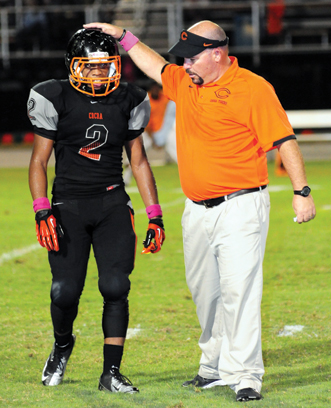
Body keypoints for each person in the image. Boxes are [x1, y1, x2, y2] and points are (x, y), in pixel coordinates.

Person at [83, 20, 316, 402]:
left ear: (217, 53)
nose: (184, 65)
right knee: (205, 293)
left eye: (191, 58)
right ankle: (213, 367)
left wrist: (301, 191)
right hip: (196, 209)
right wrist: (123, 37)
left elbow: (284, 141)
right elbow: (155, 65)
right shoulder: (187, 82)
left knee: (239, 291)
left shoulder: (253, 88)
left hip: (240, 206)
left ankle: (245, 375)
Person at [27, 28, 165, 394]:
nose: (101, 74)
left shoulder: (129, 99)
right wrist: (42, 210)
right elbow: (39, 161)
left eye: (106, 68)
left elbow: (138, 160)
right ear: (75, 67)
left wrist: (155, 213)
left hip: (111, 202)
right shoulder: (54, 96)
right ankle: (61, 345)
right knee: (64, 292)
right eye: (92, 67)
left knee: (116, 286)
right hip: (68, 204)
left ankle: (111, 373)